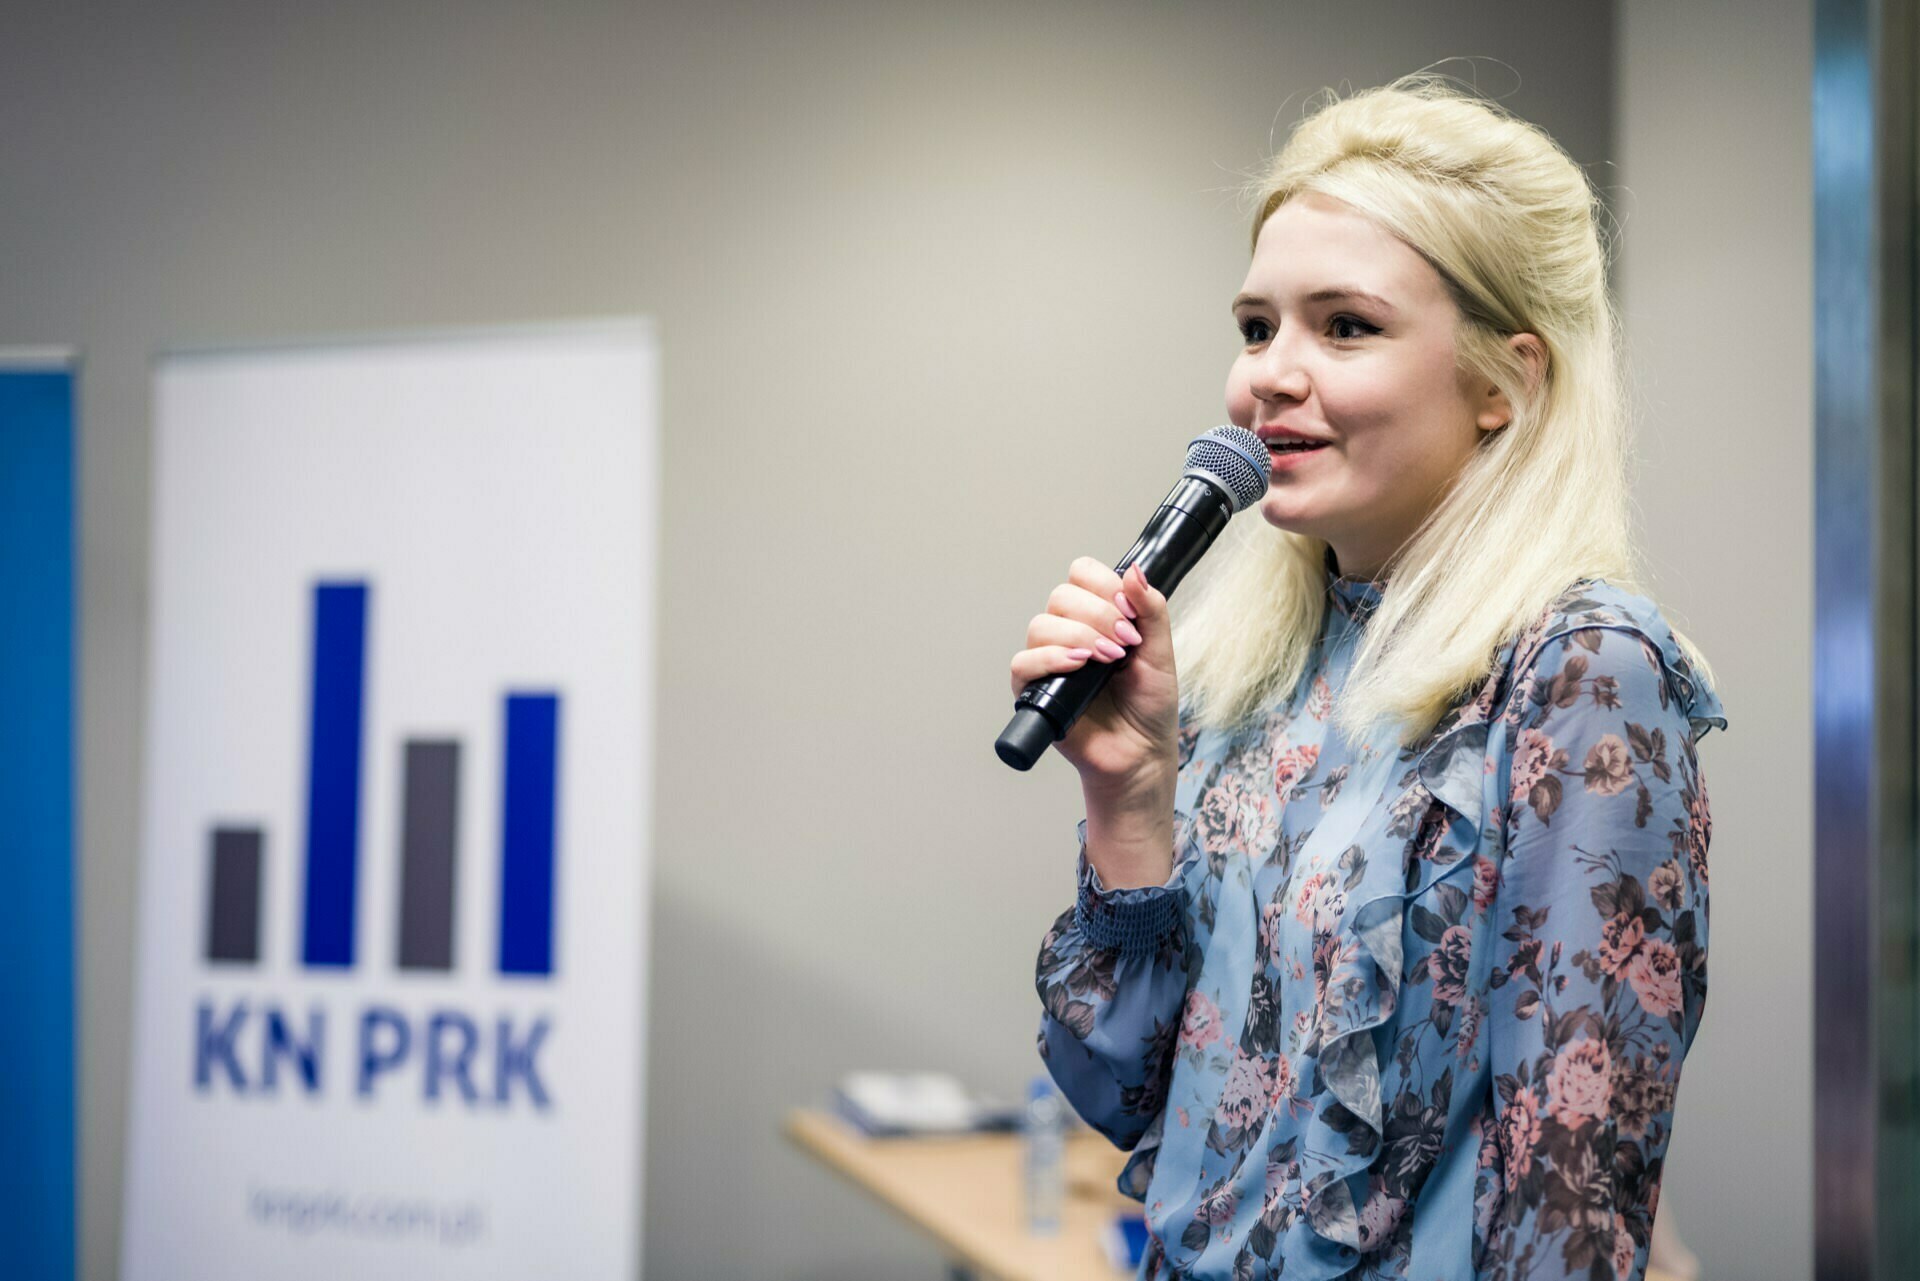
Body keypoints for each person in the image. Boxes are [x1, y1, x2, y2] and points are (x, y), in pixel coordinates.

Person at [1016, 75, 1727, 1281]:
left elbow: (1572, 1202)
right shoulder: (1262, 669)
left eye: (1345, 325)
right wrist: (1129, 801)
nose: (1270, 377)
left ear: (1509, 383)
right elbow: (1124, 1092)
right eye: (1256, 327)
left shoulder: (1583, 672)